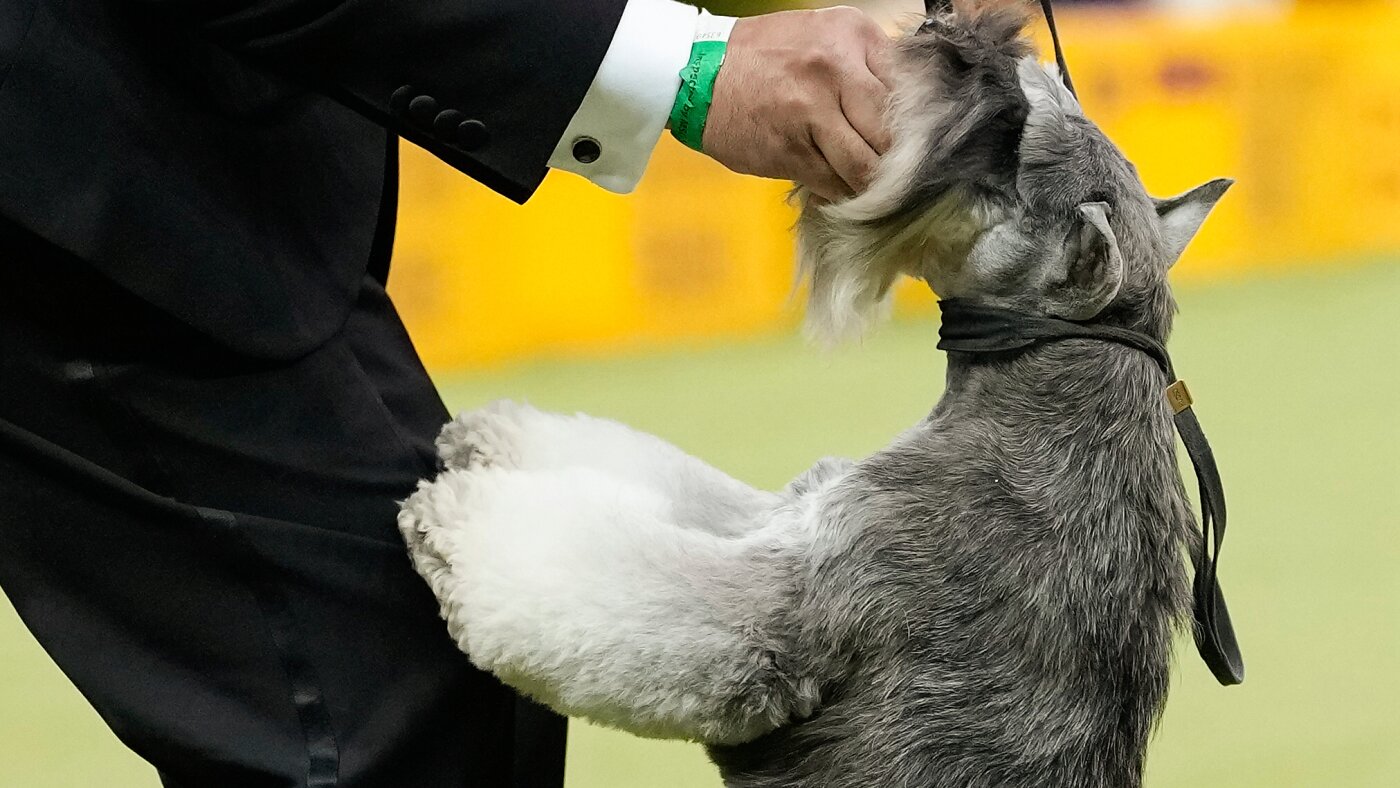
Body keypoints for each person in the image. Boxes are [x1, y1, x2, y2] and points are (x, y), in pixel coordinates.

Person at [0, 1, 891, 786]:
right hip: (74, 190)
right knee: (378, 710)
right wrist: (687, 68)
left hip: (195, 168)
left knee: (456, 675)